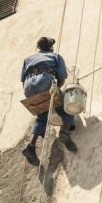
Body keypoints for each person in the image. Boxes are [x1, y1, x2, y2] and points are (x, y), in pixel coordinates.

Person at [21, 36, 77, 165]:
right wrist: (56, 89)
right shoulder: (55, 56)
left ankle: (30, 146)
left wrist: (32, 93)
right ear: (51, 47)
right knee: (67, 107)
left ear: (39, 48)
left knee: (42, 116)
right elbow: (62, 77)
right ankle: (63, 133)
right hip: (45, 80)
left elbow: (23, 79)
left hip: (29, 88)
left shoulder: (28, 58)